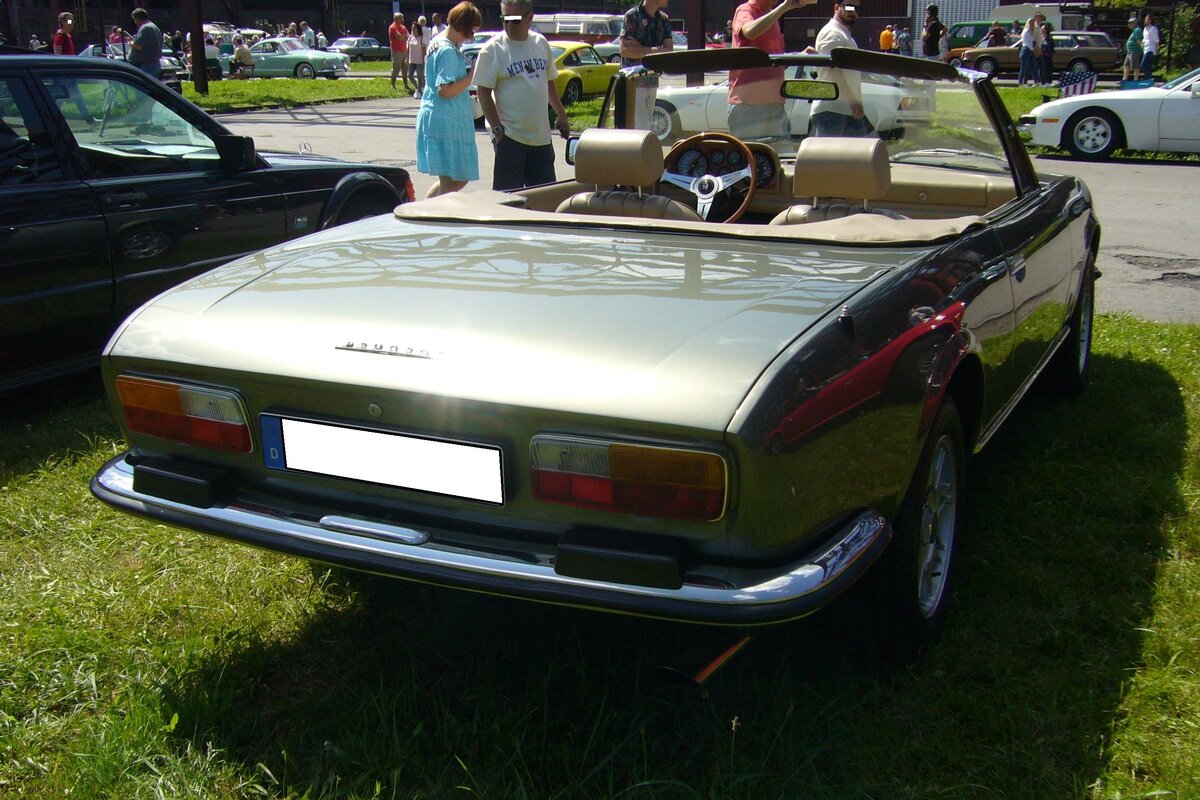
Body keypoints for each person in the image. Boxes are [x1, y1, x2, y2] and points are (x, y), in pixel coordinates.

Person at [474, 0, 571, 191]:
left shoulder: (540, 43)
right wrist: (497, 131)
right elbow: (483, 92)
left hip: (541, 140)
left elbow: (548, 81)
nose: (509, 25)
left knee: (545, 202)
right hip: (510, 139)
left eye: (515, 20)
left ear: (529, 18)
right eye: (504, 20)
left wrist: (561, 113)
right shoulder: (493, 49)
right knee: (509, 204)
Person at [415, 1, 481, 198]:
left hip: (440, 117)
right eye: (471, 31)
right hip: (445, 120)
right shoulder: (447, 51)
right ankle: (431, 217)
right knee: (453, 180)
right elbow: (444, 90)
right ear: (463, 26)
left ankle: (424, 211)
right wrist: (471, 77)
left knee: (453, 179)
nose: (471, 37)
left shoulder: (439, 41)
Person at [728, 0, 816, 140]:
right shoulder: (745, 10)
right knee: (750, 156)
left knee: (777, 156)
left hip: (775, 103)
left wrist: (798, 55)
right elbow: (748, 32)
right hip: (749, 105)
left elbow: (773, 60)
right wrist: (784, 7)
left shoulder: (772, 18)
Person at [812, 0, 868, 137]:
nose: (853, 11)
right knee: (829, 156)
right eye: (849, 7)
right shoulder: (832, 33)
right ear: (836, 7)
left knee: (860, 156)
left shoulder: (845, 35)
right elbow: (832, 71)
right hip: (832, 109)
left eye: (856, 8)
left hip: (846, 109)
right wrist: (854, 102)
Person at [619, 0, 672, 67]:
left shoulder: (663, 19)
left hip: (653, 75)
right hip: (632, 75)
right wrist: (655, 51)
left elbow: (669, 53)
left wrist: (639, 48)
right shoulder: (632, 16)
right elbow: (624, 51)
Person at [129, 8, 163, 79]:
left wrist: (131, 43)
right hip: (153, 64)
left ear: (138, 18)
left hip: (147, 65)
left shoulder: (145, 28)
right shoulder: (154, 26)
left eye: (134, 19)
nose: (135, 22)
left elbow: (138, 46)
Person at [1017, 13, 1043, 87]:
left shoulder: (1032, 33)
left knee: (1034, 67)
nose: (1032, 25)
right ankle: (1021, 83)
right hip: (1026, 51)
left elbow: (1034, 43)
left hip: (1031, 52)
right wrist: (1036, 52)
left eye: (1033, 24)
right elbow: (1029, 45)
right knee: (1024, 68)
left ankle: (1036, 82)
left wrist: (1038, 50)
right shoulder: (1026, 32)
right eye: (1031, 24)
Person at [389, 12, 411, 92]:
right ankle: (393, 85)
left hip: (404, 50)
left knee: (405, 69)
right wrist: (402, 37)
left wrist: (402, 37)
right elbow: (398, 38)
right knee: (395, 69)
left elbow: (408, 37)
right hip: (396, 51)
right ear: (396, 19)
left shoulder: (403, 27)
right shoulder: (392, 27)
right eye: (401, 18)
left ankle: (405, 85)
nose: (402, 20)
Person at [408, 18, 426, 94]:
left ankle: (420, 91)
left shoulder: (422, 38)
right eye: (412, 27)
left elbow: (424, 50)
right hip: (411, 60)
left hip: (419, 60)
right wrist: (406, 58)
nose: (412, 28)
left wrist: (423, 60)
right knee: (410, 76)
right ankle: (417, 87)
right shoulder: (410, 37)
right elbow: (408, 48)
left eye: (414, 27)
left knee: (420, 77)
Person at [1141, 14, 1159, 79]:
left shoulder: (1153, 29)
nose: (1147, 21)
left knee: (1143, 65)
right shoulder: (1145, 29)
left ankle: (1148, 77)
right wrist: (1142, 44)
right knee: (1147, 65)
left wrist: (1157, 50)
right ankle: (1147, 78)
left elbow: (1156, 40)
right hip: (1145, 49)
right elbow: (1144, 38)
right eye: (1146, 19)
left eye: (1148, 19)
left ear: (1151, 21)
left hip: (1151, 49)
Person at [1039, 21, 1055, 86]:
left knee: (1048, 69)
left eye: (1043, 29)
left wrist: (1045, 50)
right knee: (1041, 69)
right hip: (1041, 56)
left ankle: (1048, 82)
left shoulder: (1049, 38)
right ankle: (1042, 82)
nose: (1042, 30)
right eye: (1041, 29)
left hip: (1047, 56)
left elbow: (1050, 47)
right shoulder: (1040, 37)